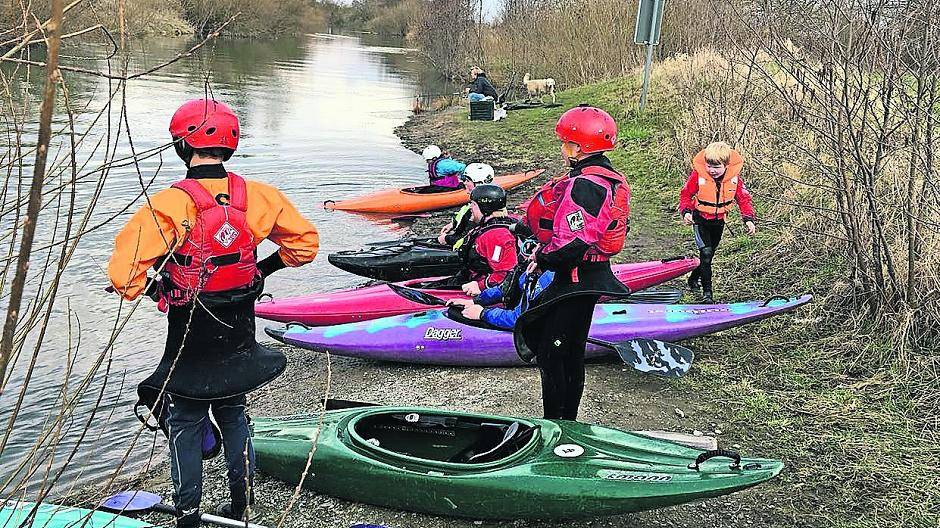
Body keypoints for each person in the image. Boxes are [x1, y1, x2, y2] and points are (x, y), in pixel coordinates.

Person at [108, 99, 319, 528]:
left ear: (181, 147)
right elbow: (305, 245)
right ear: (231, 147)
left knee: (185, 419)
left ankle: (187, 514)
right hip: (239, 331)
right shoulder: (261, 197)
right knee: (233, 409)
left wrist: (159, 293)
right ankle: (243, 504)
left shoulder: (168, 205)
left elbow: (124, 275)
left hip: (191, 334)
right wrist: (261, 270)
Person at [515, 105, 631, 421]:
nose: (563, 148)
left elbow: (574, 241)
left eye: (566, 143)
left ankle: (558, 424)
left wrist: (541, 257)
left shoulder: (588, 183)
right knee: (568, 350)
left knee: (554, 353)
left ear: (580, 148)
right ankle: (565, 420)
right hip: (586, 275)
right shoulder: (598, 176)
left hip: (580, 277)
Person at [678, 141, 756, 303]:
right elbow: (685, 195)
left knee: (709, 256)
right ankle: (708, 294)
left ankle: (693, 279)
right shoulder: (698, 176)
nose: (712, 170)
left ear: (726, 165)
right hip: (700, 220)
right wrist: (685, 211)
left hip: (718, 222)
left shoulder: (734, 180)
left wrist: (748, 219)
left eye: (717, 167)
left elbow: (744, 200)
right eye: (709, 166)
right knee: (705, 254)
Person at [457, 184, 520, 296]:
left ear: (485, 209)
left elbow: (505, 273)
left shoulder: (497, 237)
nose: (470, 208)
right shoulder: (495, 225)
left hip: (484, 287)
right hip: (472, 277)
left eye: (473, 204)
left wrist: (480, 286)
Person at [437, 162, 495, 249]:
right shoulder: (474, 204)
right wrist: (453, 224)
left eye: (467, 181)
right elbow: (464, 215)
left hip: (469, 250)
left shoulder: (481, 210)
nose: (464, 183)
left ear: (478, 184)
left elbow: (468, 239)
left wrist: (446, 239)